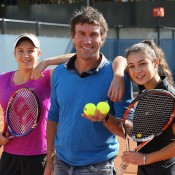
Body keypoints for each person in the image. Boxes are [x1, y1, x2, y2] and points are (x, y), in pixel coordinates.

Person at [44, 6, 133, 175]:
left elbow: (127, 131)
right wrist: (50, 159)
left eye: (94, 34)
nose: (88, 40)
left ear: (103, 39)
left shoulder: (117, 77)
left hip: (97, 166)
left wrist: (105, 119)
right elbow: (53, 117)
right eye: (81, 34)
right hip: (61, 164)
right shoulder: (59, 73)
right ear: (73, 37)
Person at [0, 33, 74, 175]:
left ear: (38, 53)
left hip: (39, 157)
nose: (25, 55)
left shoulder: (48, 77)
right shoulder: (2, 79)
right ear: (14, 54)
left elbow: (79, 57)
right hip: (9, 155)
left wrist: (46, 62)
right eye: (20, 50)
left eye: (31, 50)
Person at [117, 40, 175, 175]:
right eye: (131, 66)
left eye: (142, 64)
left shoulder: (170, 97)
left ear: (155, 63)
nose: (137, 71)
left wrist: (145, 158)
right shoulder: (145, 93)